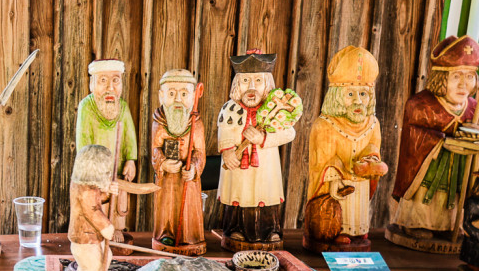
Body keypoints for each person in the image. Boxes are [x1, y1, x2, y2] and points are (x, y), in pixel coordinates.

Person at [389, 36, 479, 248]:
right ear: (441, 77)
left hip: (457, 169)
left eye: (469, 76)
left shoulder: (473, 108)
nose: (463, 84)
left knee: (454, 194)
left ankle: (450, 225)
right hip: (428, 167)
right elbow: (413, 139)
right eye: (456, 76)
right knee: (425, 196)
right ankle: (416, 223)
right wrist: (441, 140)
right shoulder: (421, 104)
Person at [305, 46, 387, 251]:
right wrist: (336, 179)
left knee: (357, 213)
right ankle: (335, 232)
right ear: (336, 96)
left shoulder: (373, 124)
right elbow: (321, 162)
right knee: (338, 210)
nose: (358, 101)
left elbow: (373, 146)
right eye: (350, 93)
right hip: (335, 187)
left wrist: (371, 160)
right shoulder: (324, 125)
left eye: (363, 94)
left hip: (360, 183)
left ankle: (357, 231)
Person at [216, 50, 296, 248]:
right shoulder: (230, 108)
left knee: (264, 197)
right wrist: (227, 151)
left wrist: (263, 138)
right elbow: (224, 129)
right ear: (237, 84)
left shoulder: (274, 111)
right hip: (237, 169)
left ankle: (269, 231)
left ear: (267, 83)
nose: (251, 88)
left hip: (265, 168)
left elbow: (289, 133)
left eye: (258, 81)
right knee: (238, 196)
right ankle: (235, 230)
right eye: (245, 81)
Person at [75, 59, 138, 238]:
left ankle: (116, 229)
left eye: (115, 80)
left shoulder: (123, 107)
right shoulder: (87, 107)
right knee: (98, 200)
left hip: (117, 171)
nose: (110, 87)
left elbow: (129, 136)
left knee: (119, 203)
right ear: (91, 83)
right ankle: (97, 229)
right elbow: (84, 142)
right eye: (103, 80)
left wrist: (130, 160)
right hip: (96, 173)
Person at [151, 68, 206, 254]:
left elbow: (200, 152)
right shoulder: (158, 123)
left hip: (187, 178)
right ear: (161, 96)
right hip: (167, 178)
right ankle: (166, 233)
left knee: (189, 203)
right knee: (166, 204)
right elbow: (155, 149)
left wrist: (194, 169)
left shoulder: (196, 125)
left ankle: (188, 236)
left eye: (184, 94)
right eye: (172, 93)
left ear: (193, 96)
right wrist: (163, 163)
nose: (178, 99)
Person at [67, 145, 118, 271]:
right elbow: (93, 211)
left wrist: (107, 192)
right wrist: (107, 227)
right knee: (92, 266)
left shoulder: (88, 186)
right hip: (84, 237)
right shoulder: (86, 190)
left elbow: (98, 199)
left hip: (92, 235)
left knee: (105, 257)